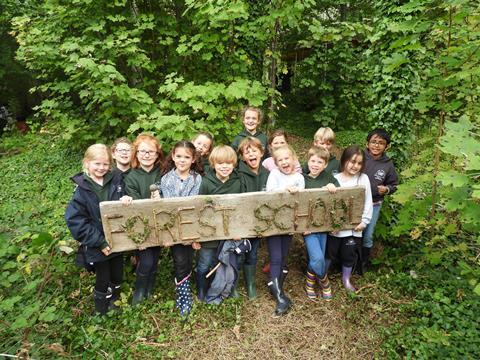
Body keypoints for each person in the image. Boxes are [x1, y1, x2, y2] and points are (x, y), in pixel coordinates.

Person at [65, 144, 125, 315]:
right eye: (97, 164)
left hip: (116, 239)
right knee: (103, 276)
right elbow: (76, 220)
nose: (101, 168)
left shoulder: (116, 180)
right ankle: (101, 309)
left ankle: (115, 302)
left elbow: (122, 205)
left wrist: (126, 199)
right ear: (87, 163)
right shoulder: (82, 189)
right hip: (97, 243)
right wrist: (98, 241)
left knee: (117, 272)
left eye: (105, 164)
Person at [159, 141, 203, 317]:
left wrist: (193, 236)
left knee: (189, 258)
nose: (182, 160)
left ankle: (187, 285)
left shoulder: (196, 178)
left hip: (191, 226)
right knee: (179, 260)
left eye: (186, 157)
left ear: (193, 159)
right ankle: (183, 295)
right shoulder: (166, 179)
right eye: (178, 156)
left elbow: (193, 204)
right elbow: (170, 207)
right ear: (173, 156)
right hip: (174, 227)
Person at [121, 134, 163, 305]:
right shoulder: (131, 176)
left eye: (150, 151)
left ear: (157, 154)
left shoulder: (162, 173)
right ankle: (139, 290)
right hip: (141, 225)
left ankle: (149, 288)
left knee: (154, 258)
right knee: (145, 260)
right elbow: (135, 203)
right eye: (142, 151)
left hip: (160, 223)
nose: (146, 155)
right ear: (136, 154)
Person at [196, 145, 242, 301]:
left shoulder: (237, 182)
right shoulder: (206, 182)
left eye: (228, 163)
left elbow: (242, 208)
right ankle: (201, 289)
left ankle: (221, 287)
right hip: (209, 233)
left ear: (234, 164)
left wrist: (239, 231)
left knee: (223, 262)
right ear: (213, 164)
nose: (224, 167)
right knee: (204, 263)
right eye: (220, 163)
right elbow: (199, 209)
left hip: (229, 233)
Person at [326, 145, 373, 293]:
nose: (355, 166)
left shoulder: (363, 178)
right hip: (335, 229)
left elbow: (368, 201)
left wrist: (364, 221)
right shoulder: (334, 179)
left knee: (349, 254)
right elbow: (328, 205)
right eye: (352, 162)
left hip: (353, 229)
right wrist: (330, 226)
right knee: (329, 253)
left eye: (359, 163)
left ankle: (346, 279)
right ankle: (323, 277)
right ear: (345, 160)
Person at [265, 145, 305, 315]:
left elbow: (302, 197)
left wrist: (296, 192)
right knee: (275, 257)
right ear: (276, 163)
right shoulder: (274, 174)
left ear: (293, 159)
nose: (284, 162)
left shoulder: (299, 177)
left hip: (289, 223)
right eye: (280, 160)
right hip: (274, 223)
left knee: (283, 256)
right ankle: (280, 296)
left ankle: (276, 286)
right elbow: (270, 193)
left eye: (286, 158)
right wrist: (285, 190)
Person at [302, 146, 339, 301]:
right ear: (308, 161)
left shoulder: (329, 178)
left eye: (320, 162)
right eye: (313, 161)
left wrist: (332, 187)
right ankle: (324, 282)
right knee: (317, 258)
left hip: (323, 226)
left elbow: (340, 198)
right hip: (308, 228)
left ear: (325, 165)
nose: (315, 164)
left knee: (318, 258)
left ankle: (309, 282)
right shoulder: (302, 179)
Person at [237, 137, 269, 299]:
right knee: (237, 253)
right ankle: (233, 284)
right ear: (242, 157)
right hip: (242, 222)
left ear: (261, 153)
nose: (251, 154)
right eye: (247, 152)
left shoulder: (268, 174)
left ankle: (250, 284)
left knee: (253, 253)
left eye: (254, 151)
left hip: (259, 223)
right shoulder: (239, 174)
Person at [362, 128, 398, 271]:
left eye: (381, 143)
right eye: (373, 142)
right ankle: (348, 261)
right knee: (352, 232)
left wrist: (387, 189)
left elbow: (394, 185)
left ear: (386, 146)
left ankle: (363, 263)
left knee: (368, 235)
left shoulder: (388, 164)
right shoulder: (360, 157)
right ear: (367, 143)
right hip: (355, 203)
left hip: (374, 204)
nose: (376, 146)